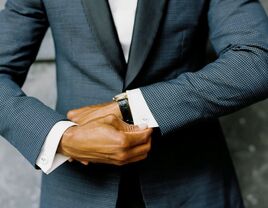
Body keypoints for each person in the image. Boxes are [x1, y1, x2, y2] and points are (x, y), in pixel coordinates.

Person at [0, 0, 268, 207]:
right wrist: (63, 138)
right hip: (77, 191)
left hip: (192, 186)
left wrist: (131, 108)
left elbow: (259, 59)